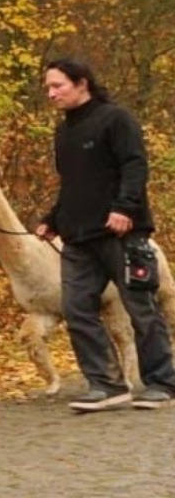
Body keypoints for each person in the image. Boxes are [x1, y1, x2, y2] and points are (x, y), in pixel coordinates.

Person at [35, 58, 175, 412]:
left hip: (122, 233)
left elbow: (135, 165)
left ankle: (161, 382)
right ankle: (106, 384)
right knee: (76, 307)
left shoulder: (116, 119)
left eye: (57, 86)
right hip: (77, 237)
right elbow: (74, 183)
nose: (51, 94)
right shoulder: (64, 132)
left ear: (82, 83)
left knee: (140, 307)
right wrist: (53, 218)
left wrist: (125, 207)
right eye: (48, 88)